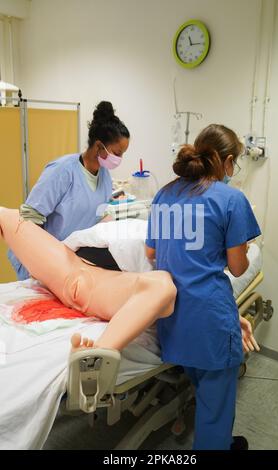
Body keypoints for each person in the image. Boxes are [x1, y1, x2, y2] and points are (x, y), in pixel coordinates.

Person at [145, 124, 261, 450]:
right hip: (210, 319)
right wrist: (246, 247)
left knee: (201, 387)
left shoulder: (165, 193)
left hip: (172, 316)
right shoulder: (231, 199)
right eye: (234, 163)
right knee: (215, 408)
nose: (233, 170)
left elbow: (151, 252)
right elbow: (238, 267)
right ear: (225, 161)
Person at [0, 207, 176, 352]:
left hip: (80, 276)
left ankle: (98, 354)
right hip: (72, 263)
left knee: (160, 285)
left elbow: (158, 285)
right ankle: (98, 354)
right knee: (6, 216)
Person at [8, 101, 129, 280]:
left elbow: (99, 213)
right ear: (98, 147)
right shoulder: (62, 171)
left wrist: (120, 230)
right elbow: (29, 220)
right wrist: (38, 262)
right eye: (117, 153)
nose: (119, 159)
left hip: (70, 262)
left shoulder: (104, 176)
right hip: (40, 260)